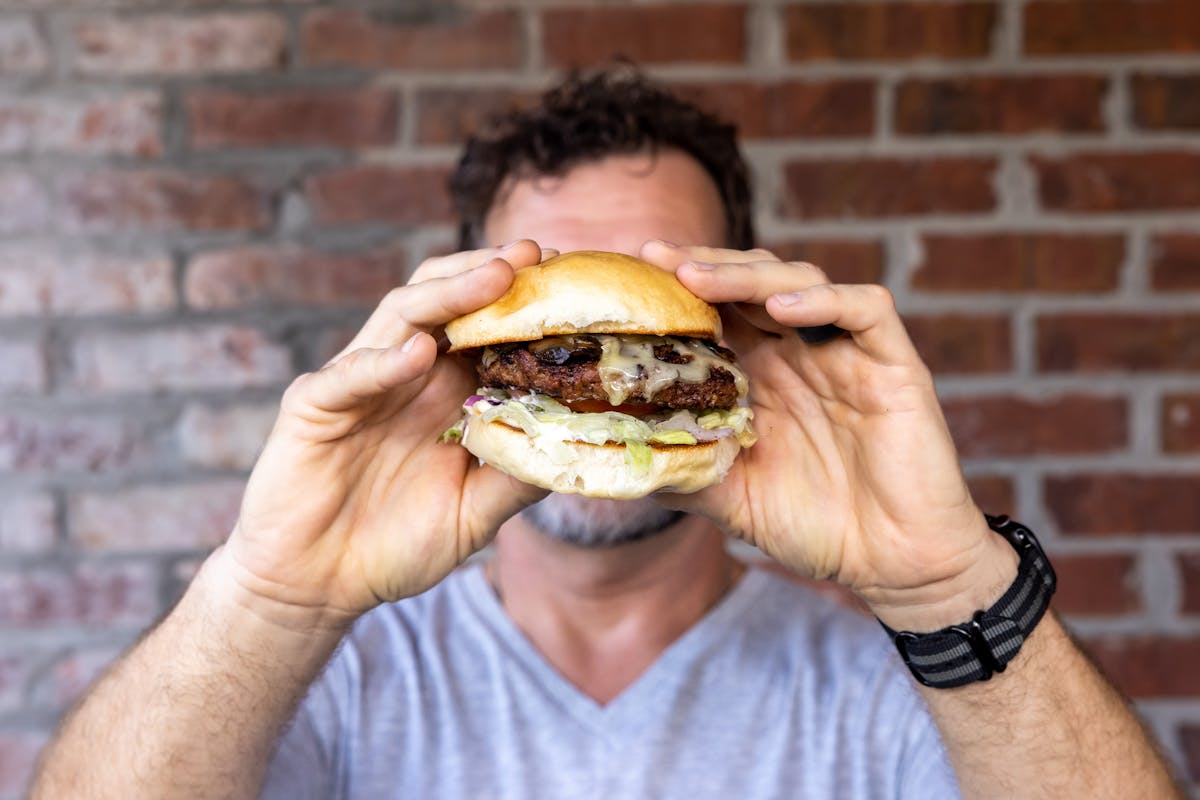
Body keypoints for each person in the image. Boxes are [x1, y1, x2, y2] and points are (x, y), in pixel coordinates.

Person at [30, 68, 1181, 799]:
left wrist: (947, 583)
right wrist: (271, 595)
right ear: (462, 332)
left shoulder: (882, 687)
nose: (603, 329)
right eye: (556, 303)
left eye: (650, 282)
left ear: (735, 322)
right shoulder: (341, 674)